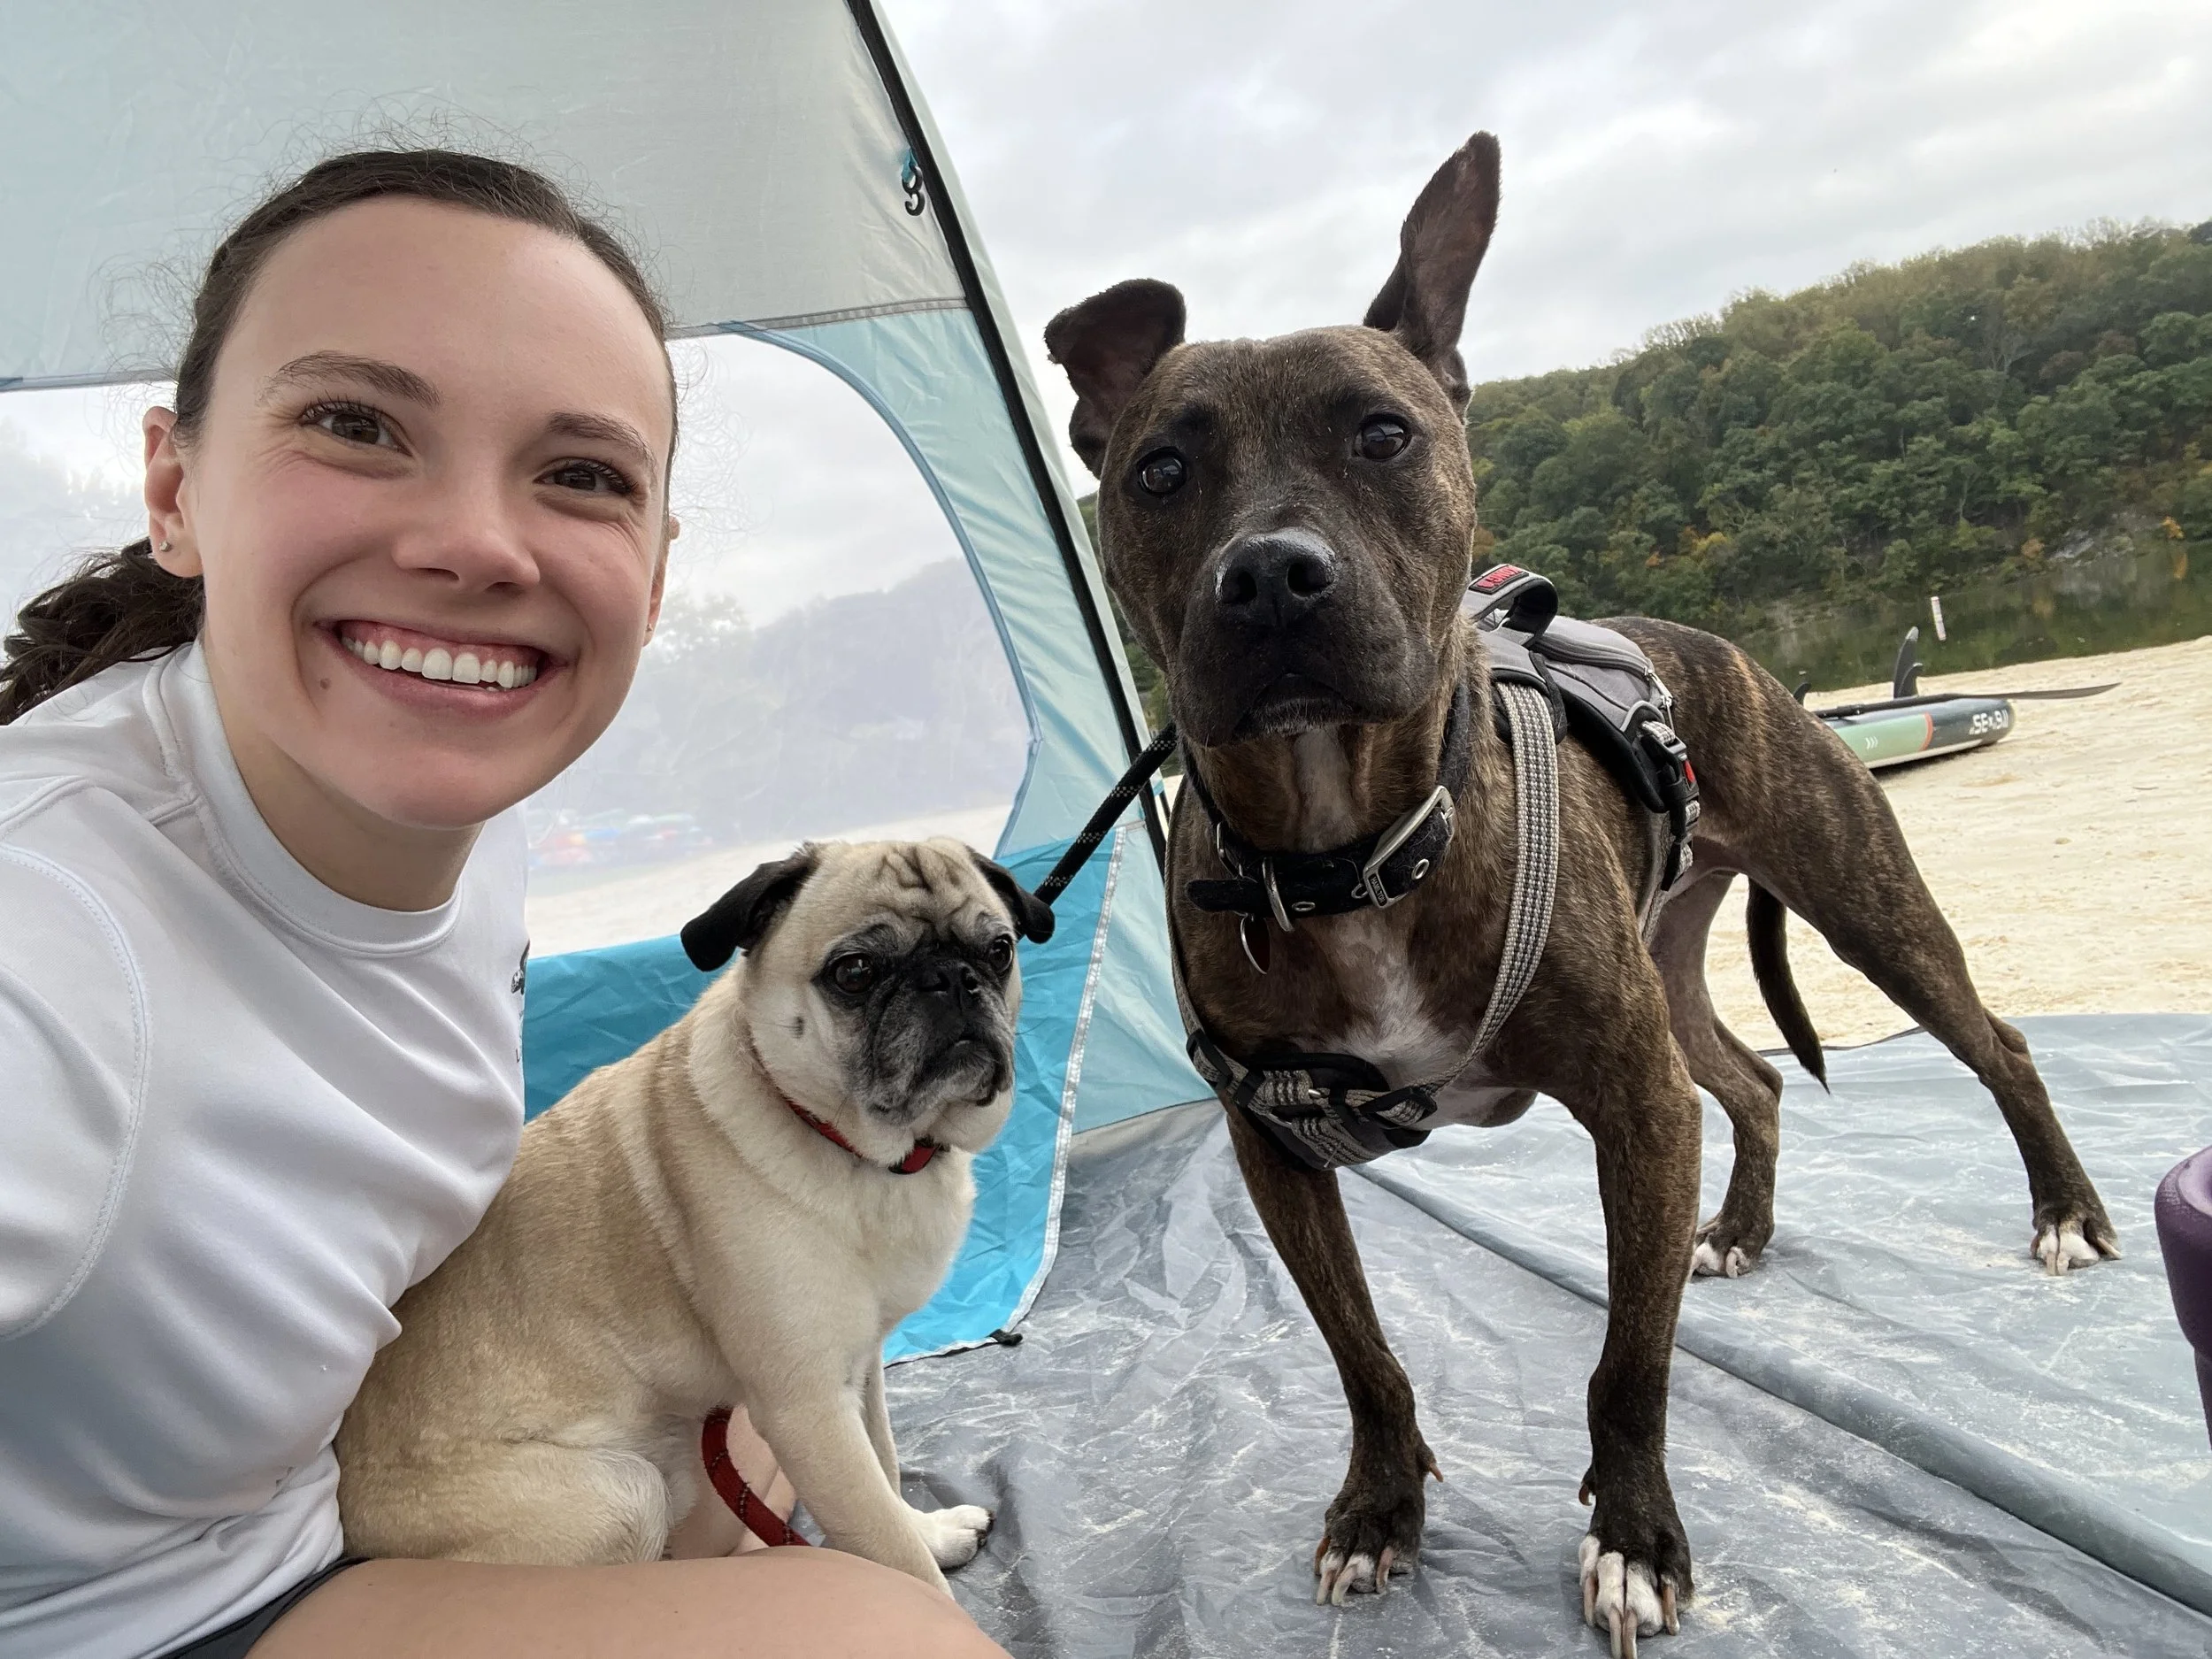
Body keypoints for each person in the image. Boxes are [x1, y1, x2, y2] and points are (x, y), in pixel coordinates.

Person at [0, 150, 1010, 1659]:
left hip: (338, 1501)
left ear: (657, 573)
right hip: (147, 1614)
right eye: (356, 423)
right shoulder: (53, 943)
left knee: (788, 1432)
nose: (476, 541)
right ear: (174, 487)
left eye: (582, 472)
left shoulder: (479, 827)